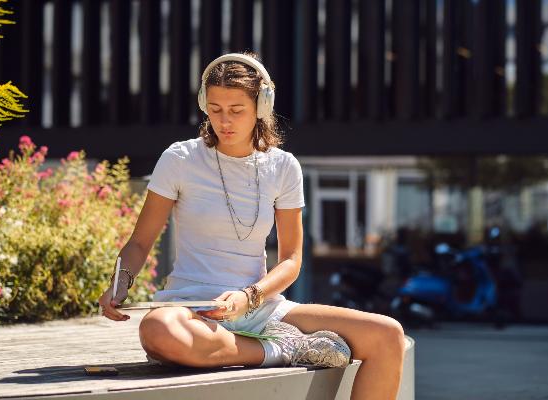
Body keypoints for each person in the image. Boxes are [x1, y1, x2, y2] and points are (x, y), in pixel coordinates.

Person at [98, 52, 405, 400]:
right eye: (214, 109)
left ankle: (272, 342)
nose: (223, 121)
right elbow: (140, 243)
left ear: (261, 106)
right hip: (190, 311)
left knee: (388, 335)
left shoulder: (284, 167)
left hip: (260, 307)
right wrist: (119, 283)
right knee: (157, 330)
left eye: (236, 110)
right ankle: (283, 350)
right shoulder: (179, 159)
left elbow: (291, 260)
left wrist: (249, 297)